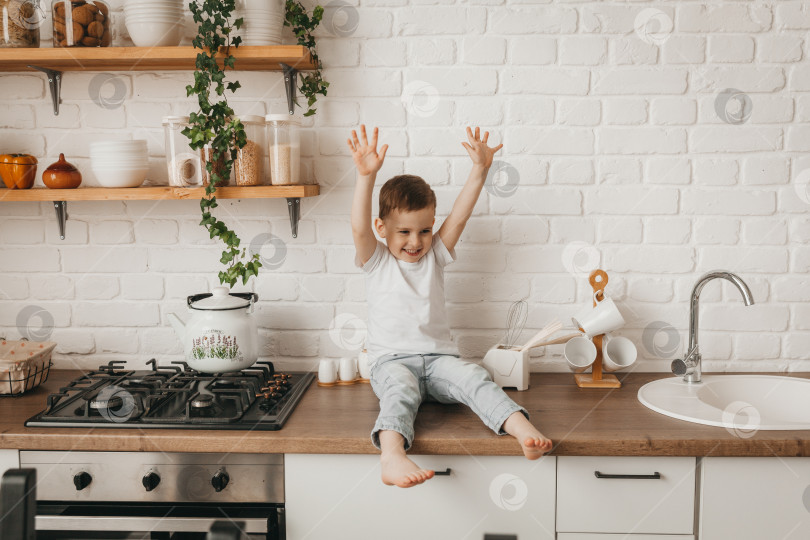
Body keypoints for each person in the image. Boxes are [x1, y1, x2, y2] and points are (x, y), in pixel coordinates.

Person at [347, 124, 553, 489]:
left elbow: (459, 215)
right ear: (383, 228)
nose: (416, 241)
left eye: (425, 230)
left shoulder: (435, 256)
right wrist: (367, 176)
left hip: (440, 361)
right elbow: (359, 228)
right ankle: (392, 456)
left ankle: (523, 432)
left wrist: (480, 170)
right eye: (405, 232)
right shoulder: (376, 261)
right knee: (399, 393)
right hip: (391, 362)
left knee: (476, 378)